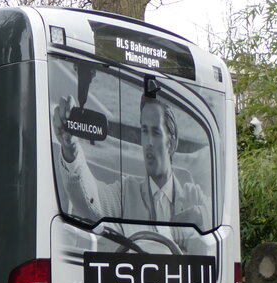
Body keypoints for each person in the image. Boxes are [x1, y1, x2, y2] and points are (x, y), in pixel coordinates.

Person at [54, 95, 209, 250]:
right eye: (144, 131)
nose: (148, 142)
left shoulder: (192, 196)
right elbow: (92, 201)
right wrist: (71, 149)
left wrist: (200, 215)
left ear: (172, 143)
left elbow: (223, 219)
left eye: (155, 132)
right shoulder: (126, 192)